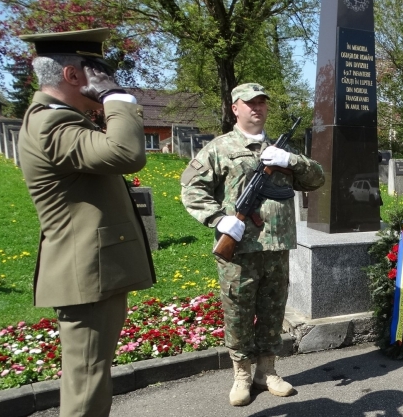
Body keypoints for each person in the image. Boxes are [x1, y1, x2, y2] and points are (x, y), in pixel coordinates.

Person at [16, 28, 156, 416]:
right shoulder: (52, 124)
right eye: (98, 72)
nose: (105, 81)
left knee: (90, 378)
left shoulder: (62, 119)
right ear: (73, 76)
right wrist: (116, 97)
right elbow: (127, 152)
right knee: (86, 385)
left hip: (92, 271)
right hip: (85, 275)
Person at [180, 83, 325, 406]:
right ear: (235, 108)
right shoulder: (220, 148)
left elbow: (317, 179)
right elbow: (191, 189)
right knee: (238, 313)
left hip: (276, 248)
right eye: (249, 103)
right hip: (240, 250)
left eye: (262, 103)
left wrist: (292, 160)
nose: (257, 109)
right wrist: (218, 219)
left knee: (273, 313)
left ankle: (267, 371)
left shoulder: (280, 150)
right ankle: (242, 375)